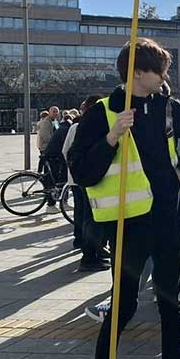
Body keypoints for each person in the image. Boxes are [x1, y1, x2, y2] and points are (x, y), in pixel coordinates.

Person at [68, 38, 180, 359]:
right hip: (127, 225)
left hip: (166, 219)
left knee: (170, 302)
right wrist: (112, 138)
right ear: (137, 73)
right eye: (159, 69)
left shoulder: (169, 107)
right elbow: (80, 170)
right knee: (124, 303)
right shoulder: (104, 112)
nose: (165, 77)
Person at [64, 95, 109, 271]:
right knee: (91, 218)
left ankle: (93, 249)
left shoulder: (82, 125)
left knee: (85, 215)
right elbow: (69, 151)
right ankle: (90, 256)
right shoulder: (84, 126)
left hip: (83, 178)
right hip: (87, 179)